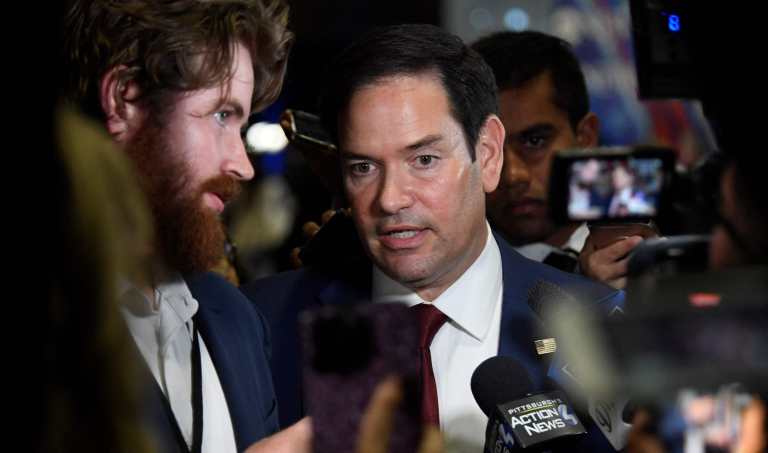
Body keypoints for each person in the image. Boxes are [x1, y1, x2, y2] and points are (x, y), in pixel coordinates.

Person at [244, 24, 623, 452]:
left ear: (488, 154)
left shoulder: (599, 325)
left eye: (424, 160)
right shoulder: (259, 325)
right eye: (363, 168)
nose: (390, 199)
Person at [61, 1, 310, 451]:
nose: (243, 165)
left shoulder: (238, 320)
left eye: (242, 125)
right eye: (221, 115)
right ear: (124, 98)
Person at [472, 31, 644, 285]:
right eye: (487, 150)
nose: (513, 175)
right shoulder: (445, 284)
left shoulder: (653, 255)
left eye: (535, 141)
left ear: (585, 137)